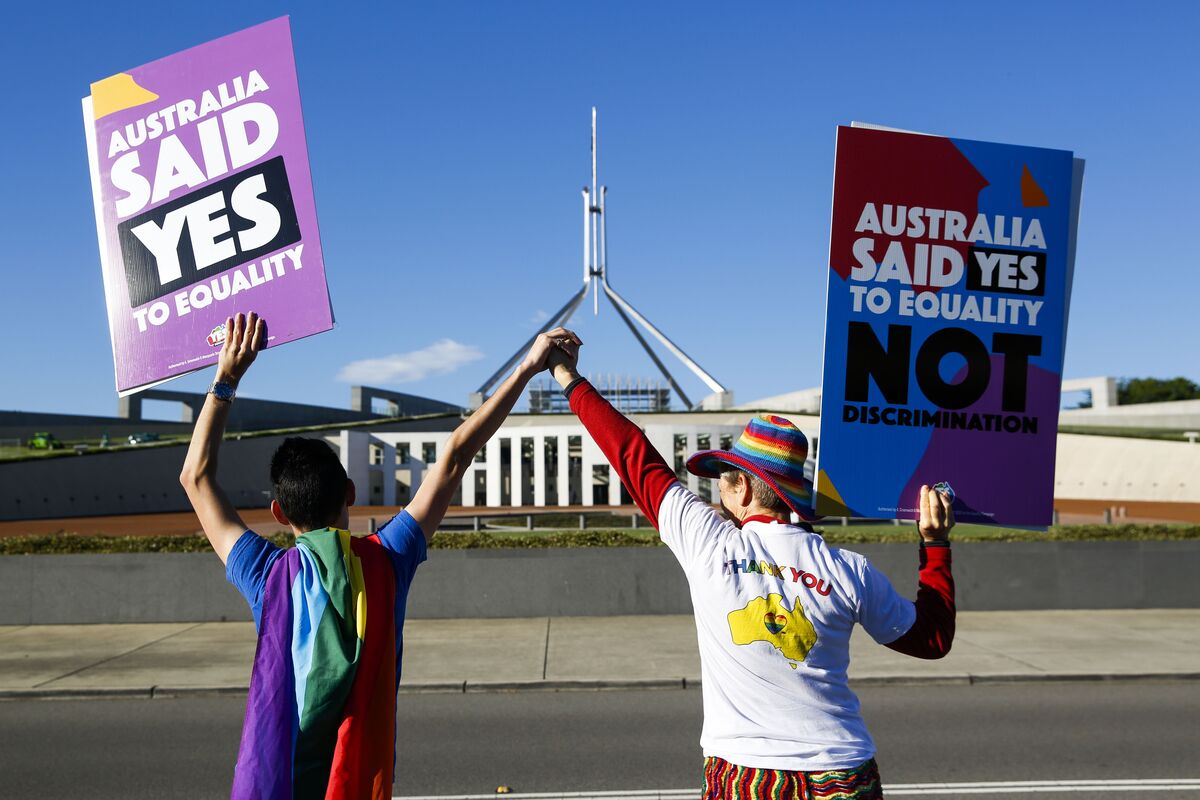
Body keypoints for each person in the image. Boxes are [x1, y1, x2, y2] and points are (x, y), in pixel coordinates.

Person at [179, 312, 573, 799]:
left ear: (279, 513)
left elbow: (195, 478)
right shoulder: (388, 562)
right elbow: (453, 456)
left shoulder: (266, 575)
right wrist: (529, 366)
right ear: (350, 493)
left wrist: (226, 378)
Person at [546, 332, 954, 800]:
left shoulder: (707, 543)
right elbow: (932, 639)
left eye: (721, 480)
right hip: (843, 772)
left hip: (747, 777)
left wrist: (567, 375)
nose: (716, 491)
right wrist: (935, 544)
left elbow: (631, 453)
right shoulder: (849, 569)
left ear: (740, 486)